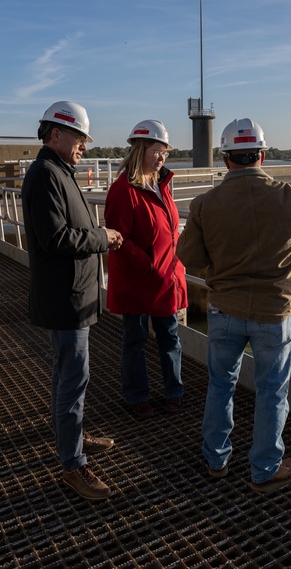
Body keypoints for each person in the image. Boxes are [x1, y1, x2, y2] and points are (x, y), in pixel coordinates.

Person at [177, 118, 291, 493]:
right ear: (263, 156)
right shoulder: (289, 195)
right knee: (272, 391)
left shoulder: (206, 204)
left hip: (223, 309)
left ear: (225, 159)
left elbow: (187, 256)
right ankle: (265, 468)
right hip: (274, 313)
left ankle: (216, 458)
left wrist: (219, 273)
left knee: (220, 385)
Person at [21, 100, 124, 501]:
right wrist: (104, 237)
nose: (83, 145)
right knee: (72, 377)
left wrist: (95, 234)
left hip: (70, 295)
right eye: (79, 137)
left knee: (68, 375)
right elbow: (56, 239)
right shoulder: (47, 174)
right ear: (56, 134)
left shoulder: (57, 170)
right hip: (64, 299)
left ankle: (73, 436)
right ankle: (73, 464)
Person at [105, 120, 187, 418]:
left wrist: (170, 262)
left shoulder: (161, 185)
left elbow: (169, 228)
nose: (162, 157)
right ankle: (137, 396)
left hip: (164, 278)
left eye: (165, 152)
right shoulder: (123, 190)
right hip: (140, 280)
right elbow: (117, 239)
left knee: (170, 338)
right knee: (135, 339)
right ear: (140, 150)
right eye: (157, 150)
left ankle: (174, 391)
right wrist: (150, 265)